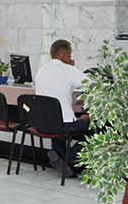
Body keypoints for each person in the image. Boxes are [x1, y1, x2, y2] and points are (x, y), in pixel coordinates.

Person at [35, 39, 89, 177]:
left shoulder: (41, 70)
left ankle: (58, 153)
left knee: (59, 119)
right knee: (97, 129)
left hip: (42, 123)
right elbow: (92, 85)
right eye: (70, 55)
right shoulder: (69, 70)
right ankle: (68, 160)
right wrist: (72, 69)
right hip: (62, 125)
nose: (70, 58)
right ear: (64, 55)